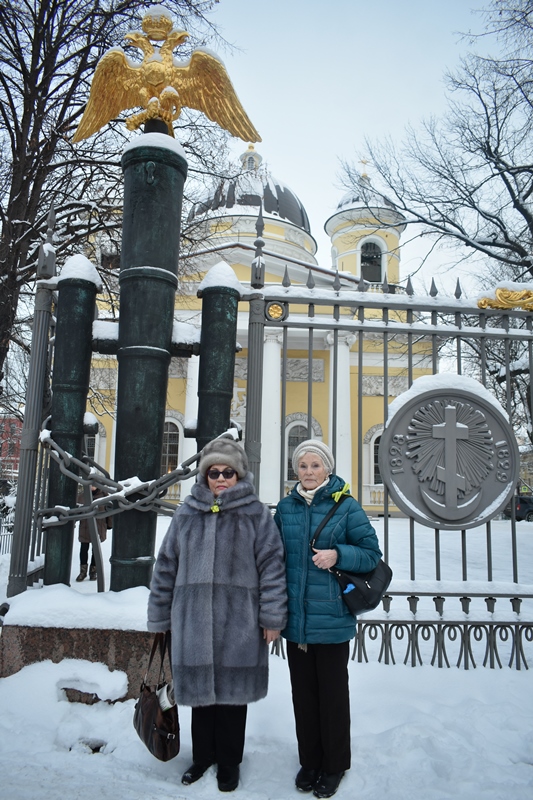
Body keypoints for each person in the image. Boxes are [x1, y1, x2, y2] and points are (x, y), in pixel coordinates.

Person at [147, 437, 288, 793]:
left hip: (239, 623)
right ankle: (202, 757)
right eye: (214, 472)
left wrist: (272, 617)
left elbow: (272, 567)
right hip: (192, 621)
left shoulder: (255, 514)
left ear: (239, 475)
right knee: (199, 697)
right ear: (205, 476)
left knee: (231, 699)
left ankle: (229, 762)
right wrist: (160, 617)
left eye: (228, 472)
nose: (221, 478)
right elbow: (166, 566)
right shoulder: (187, 513)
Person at [274, 440, 382, 799]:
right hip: (297, 622)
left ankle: (334, 765)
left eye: (315, 465)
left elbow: (371, 554)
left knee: (332, 698)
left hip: (333, 619)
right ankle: (310, 762)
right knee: (303, 697)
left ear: (327, 469)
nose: (308, 472)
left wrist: (338, 555)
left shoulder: (346, 506)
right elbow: (273, 558)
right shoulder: (286, 508)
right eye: (302, 466)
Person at [76, 486, 112, 581]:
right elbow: (76, 511)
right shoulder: (82, 496)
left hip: (98, 526)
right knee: (84, 549)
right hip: (85, 526)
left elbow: (109, 510)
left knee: (95, 550)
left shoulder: (104, 496)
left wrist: (109, 524)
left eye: (94, 485)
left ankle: (93, 572)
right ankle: (83, 572)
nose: (92, 487)